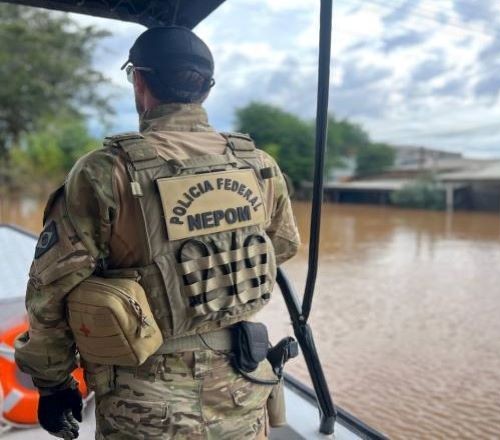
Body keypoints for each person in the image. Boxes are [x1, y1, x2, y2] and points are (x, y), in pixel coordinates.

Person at [14, 26, 300, 440]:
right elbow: (283, 246)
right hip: (243, 388)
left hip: (144, 406)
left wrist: (53, 383)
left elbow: (52, 289)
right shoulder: (258, 163)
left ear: (140, 80)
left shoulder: (104, 170)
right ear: (207, 88)